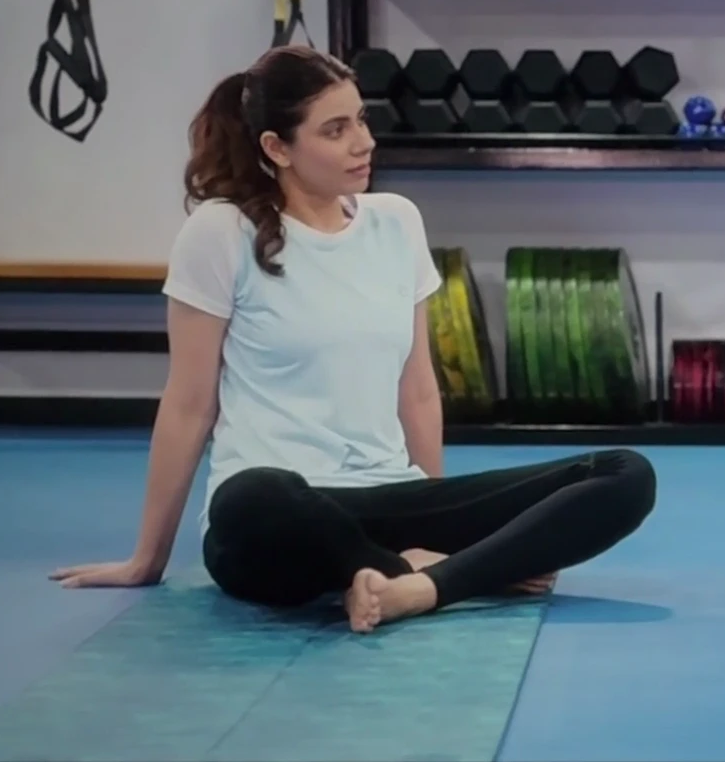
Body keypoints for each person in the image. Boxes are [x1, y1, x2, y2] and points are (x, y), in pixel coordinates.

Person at [47, 45, 656, 633]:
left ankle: (419, 585)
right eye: (335, 130)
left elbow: (418, 389)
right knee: (251, 495)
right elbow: (188, 404)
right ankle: (429, 573)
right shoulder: (220, 232)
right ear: (277, 148)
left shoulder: (397, 220)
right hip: (279, 516)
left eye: (361, 119)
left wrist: (432, 511)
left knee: (623, 473)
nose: (363, 141)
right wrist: (147, 560)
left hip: (388, 494)